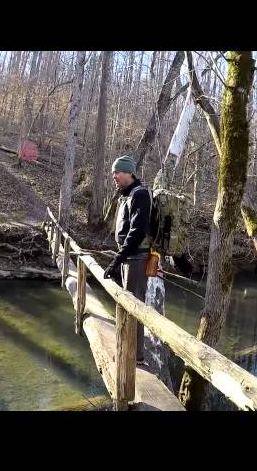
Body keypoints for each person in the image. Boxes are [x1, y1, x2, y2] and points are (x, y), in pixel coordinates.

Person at [103, 155, 151, 365]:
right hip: (130, 258)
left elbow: (137, 231)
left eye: (118, 172)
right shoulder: (129, 194)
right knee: (127, 305)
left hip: (136, 259)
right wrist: (120, 259)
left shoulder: (139, 195)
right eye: (113, 172)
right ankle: (128, 350)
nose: (114, 176)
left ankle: (134, 357)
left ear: (129, 173)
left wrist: (117, 259)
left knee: (133, 307)